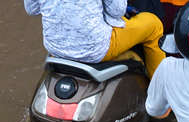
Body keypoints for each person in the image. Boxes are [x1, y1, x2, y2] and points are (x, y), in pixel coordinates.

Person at [24, 0, 165, 78]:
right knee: (154, 25)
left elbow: (32, 9)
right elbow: (117, 11)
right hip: (96, 50)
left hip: (55, 49)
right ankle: (161, 103)